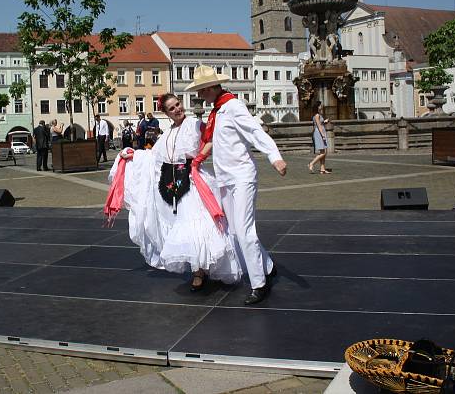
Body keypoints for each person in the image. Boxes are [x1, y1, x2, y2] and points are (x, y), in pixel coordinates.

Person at [106, 93, 242, 289]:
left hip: (196, 180)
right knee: (189, 226)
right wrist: (133, 154)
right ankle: (198, 270)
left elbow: (212, 141)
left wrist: (200, 159)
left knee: (203, 224)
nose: (177, 109)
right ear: (167, 113)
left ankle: (209, 267)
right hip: (177, 183)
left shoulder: (195, 125)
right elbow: (154, 156)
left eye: (177, 105)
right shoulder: (167, 134)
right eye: (172, 108)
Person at [186, 65, 287, 306]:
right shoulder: (218, 111)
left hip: (242, 176)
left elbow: (255, 132)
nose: (199, 96)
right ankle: (268, 266)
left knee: (244, 230)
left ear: (211, 87)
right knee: (234, 230)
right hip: (225, 178)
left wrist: (275, 156)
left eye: (201, 91)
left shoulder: (233, 107)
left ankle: (259, 283)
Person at [309, 100, 330, 174]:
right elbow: (319, 126)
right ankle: (311, 163)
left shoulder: (318, 115)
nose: (321, 106)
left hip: (320, 132)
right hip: (319, 133)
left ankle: (322, 169)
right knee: (324, 152)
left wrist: (324, 122)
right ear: (317, 107)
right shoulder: (317, 115)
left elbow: (320, 124)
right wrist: (323, 136)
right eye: (320, 105)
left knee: (323, 151)